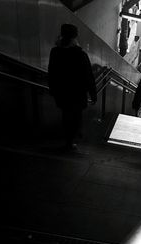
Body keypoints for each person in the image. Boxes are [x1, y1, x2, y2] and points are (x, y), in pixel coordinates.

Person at [48, 23, 96, 151]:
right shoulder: (80, 54)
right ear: (75, 37)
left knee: (66, 114)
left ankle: (68, 140)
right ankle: (73, 138)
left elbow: (51, 72)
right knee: (76, 115)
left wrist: (53, 89)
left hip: (62, 91)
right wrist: (93, 94)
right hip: (77, 92)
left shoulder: (55, 52)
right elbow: (88, 76)